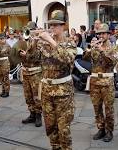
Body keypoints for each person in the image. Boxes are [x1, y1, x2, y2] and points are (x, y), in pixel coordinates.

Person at [35, 10, 76, 150]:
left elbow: (67, 59)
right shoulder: (44, 43)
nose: (52, 28)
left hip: (63, 92)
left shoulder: (70, 42)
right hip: (47, 91)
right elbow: (30, 59)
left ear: (63, 26)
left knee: (63, 128)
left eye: (56, 25)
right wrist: (33, 42)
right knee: (50, 126)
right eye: (51, 25)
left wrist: (51, 41)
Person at [83, 23, 118, 142]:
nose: (101, 36)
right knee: (97, 108)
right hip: (95, 82)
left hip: (107, 82)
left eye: (103, 33)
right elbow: (85, 59)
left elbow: (112, 61)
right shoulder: (95, 46)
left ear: (108, 35)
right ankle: (101, 129)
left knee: (109, 108)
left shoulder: (113, 47)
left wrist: (102, 50)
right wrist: (90, 48)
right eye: (99, 34)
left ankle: (109, 131)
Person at [19, 21, 43, 127]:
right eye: (27, 30)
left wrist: (28, 53)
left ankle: (38, 115)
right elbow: (17, 52)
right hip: (25, 71)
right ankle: (32, 114)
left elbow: (37, 57)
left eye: (30, 30)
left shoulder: (40, 42)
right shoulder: (23, 41)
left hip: (36, 73)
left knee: (36, 96)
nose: (28, 32)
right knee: (27, 95)